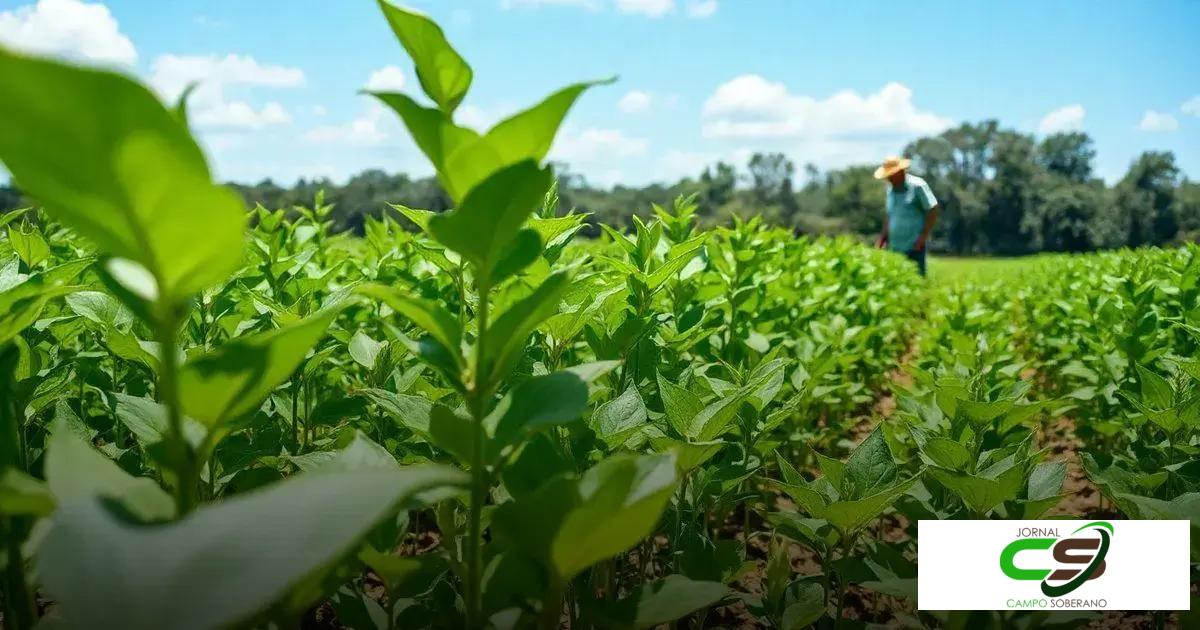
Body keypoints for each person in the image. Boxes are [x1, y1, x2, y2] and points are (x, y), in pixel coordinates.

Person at [873, 156, 939, 277]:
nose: (889, 179)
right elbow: (890, 215)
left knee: (916, 279)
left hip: (915, 245)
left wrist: (923, 236)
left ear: (901, 172)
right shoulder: (890, 191)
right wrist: (882, 238)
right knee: (898, 280)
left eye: (892, 175)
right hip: (895, 247)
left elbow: (932, 210)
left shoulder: (918, 186)